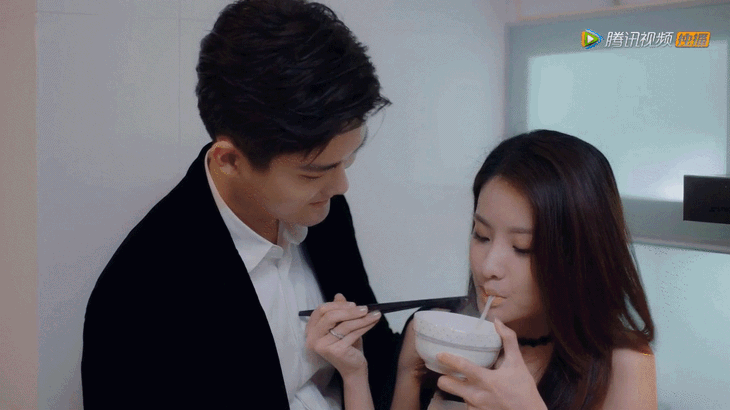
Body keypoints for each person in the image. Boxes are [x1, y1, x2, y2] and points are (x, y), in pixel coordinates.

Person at [81, 1, 399, 409]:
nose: (341, 186)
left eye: (347, 161)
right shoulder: (138, 295)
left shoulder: (325, 211)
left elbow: (377, 356)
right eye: (314, 173)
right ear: (229, 160)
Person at [321, 129, 657, 410]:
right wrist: (356, 375)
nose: (488, 266)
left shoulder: (624, 364)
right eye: (481, 235)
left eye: (523, 247)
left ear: (578, 257)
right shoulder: (438, 333)